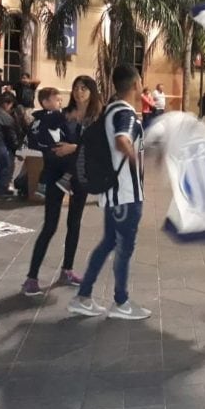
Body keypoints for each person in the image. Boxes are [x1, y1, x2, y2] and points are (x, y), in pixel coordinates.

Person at [68, 65, 150, 319]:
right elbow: (122, 139)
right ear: (136, 83)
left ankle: (83, 296)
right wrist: (135, 159)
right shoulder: (125, 112)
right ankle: (121, 302)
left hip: (113, 193)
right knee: (124, 248)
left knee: (108, 244)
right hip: (126, 195)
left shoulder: (110, 110)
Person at [22, 76, 104, 296]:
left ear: (92, 91)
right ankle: (31, 277)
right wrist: (57, 151)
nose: (79, 92)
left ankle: (67, 270)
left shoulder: (98, 117)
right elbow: (43, 140)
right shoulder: (62, 115)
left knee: (74, 223)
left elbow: (100, 149)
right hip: (56, 174)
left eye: (84, 88)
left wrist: (74, 148)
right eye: (76, 88)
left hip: (81, 176)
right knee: (50, 225)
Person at [28, 88, 69, 198]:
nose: (60, 103)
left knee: (49, 163)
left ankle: (42, 186)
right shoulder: (53, 115)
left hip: (37, 145)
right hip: (47, 145)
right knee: (66, 158)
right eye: (57, 100)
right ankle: (60, 181)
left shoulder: (39, 116)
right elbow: (64, 121)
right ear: (45, 103)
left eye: (61, 100)